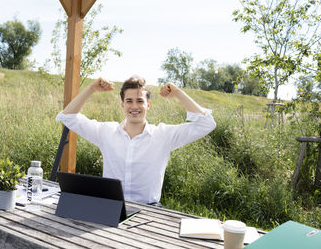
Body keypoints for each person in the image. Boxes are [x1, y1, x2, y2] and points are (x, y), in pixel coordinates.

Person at [56, 76, 216, 206]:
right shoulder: (106, 132)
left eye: (140, 101)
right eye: (129, 101)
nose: (134, 106)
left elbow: (207, 124)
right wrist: (91, 89)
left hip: (149, 211)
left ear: (148, 105)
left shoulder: (163, 135)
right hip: (110, 207)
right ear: (122, 105)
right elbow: (67, 117)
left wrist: (177, 92)